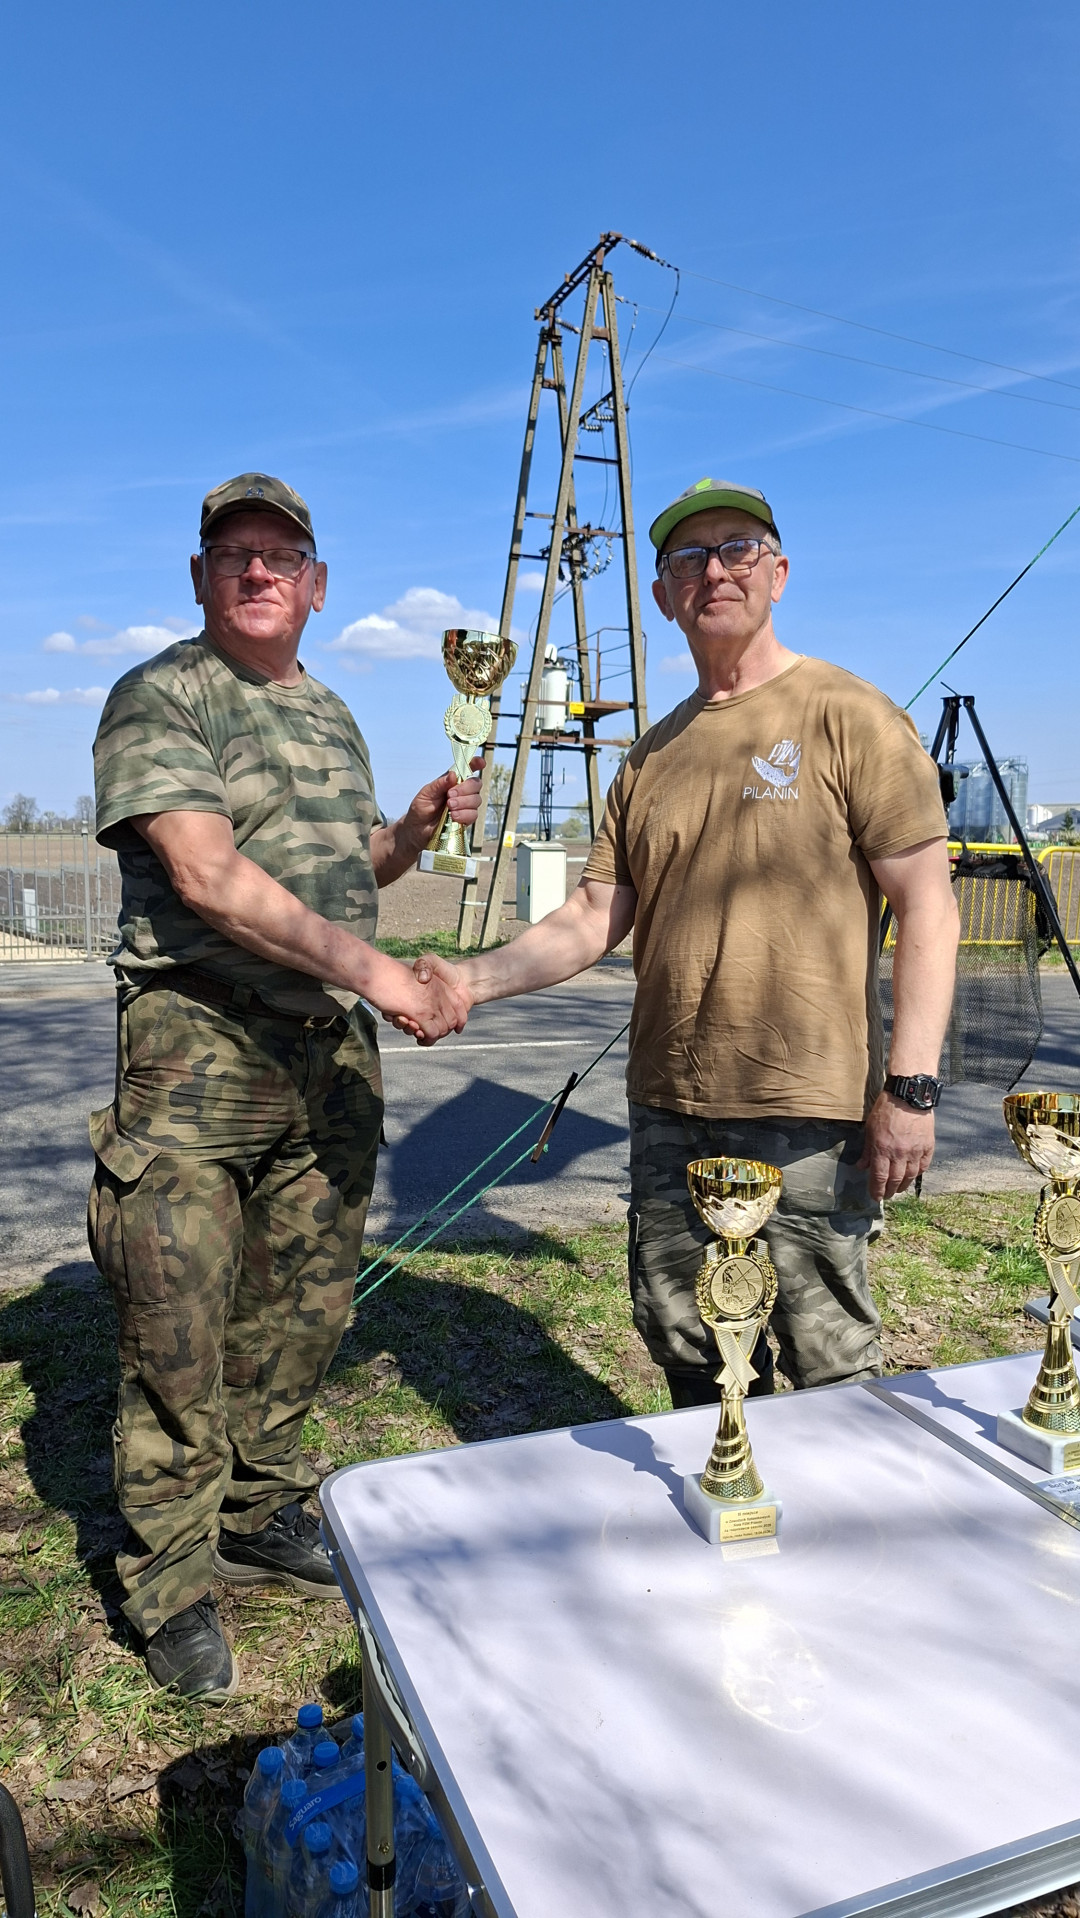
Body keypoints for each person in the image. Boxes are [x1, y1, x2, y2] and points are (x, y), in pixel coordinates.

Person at [409, 478, 959, 1409]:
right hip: (670, 1101)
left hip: (809, 1107)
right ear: (663, 595)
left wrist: (910, 1090)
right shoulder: (648, 758)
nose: (716, 571)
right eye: (689, 558)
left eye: (739, 548)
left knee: (825, 1352)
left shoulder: (851, 716)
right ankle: (722, 1481)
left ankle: (834, 1498)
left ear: (779, 573)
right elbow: (592, 915)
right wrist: (468, 980)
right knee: (683, 1333)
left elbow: (929, 911)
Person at [89, 472, 472, 1700]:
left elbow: (340, 866)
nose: (258, 570)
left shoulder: (333, 712)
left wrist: (408, 834)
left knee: (303, 1308)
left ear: (317, 586)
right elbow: (208, 876)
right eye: (234, 553)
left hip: (327, 1054)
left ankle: (257, 1514)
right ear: (200, 577)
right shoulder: (161, 694)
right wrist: (384, 975)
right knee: (177, 1325)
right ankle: (169, 1578)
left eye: (281, 555)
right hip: (200, 1041)